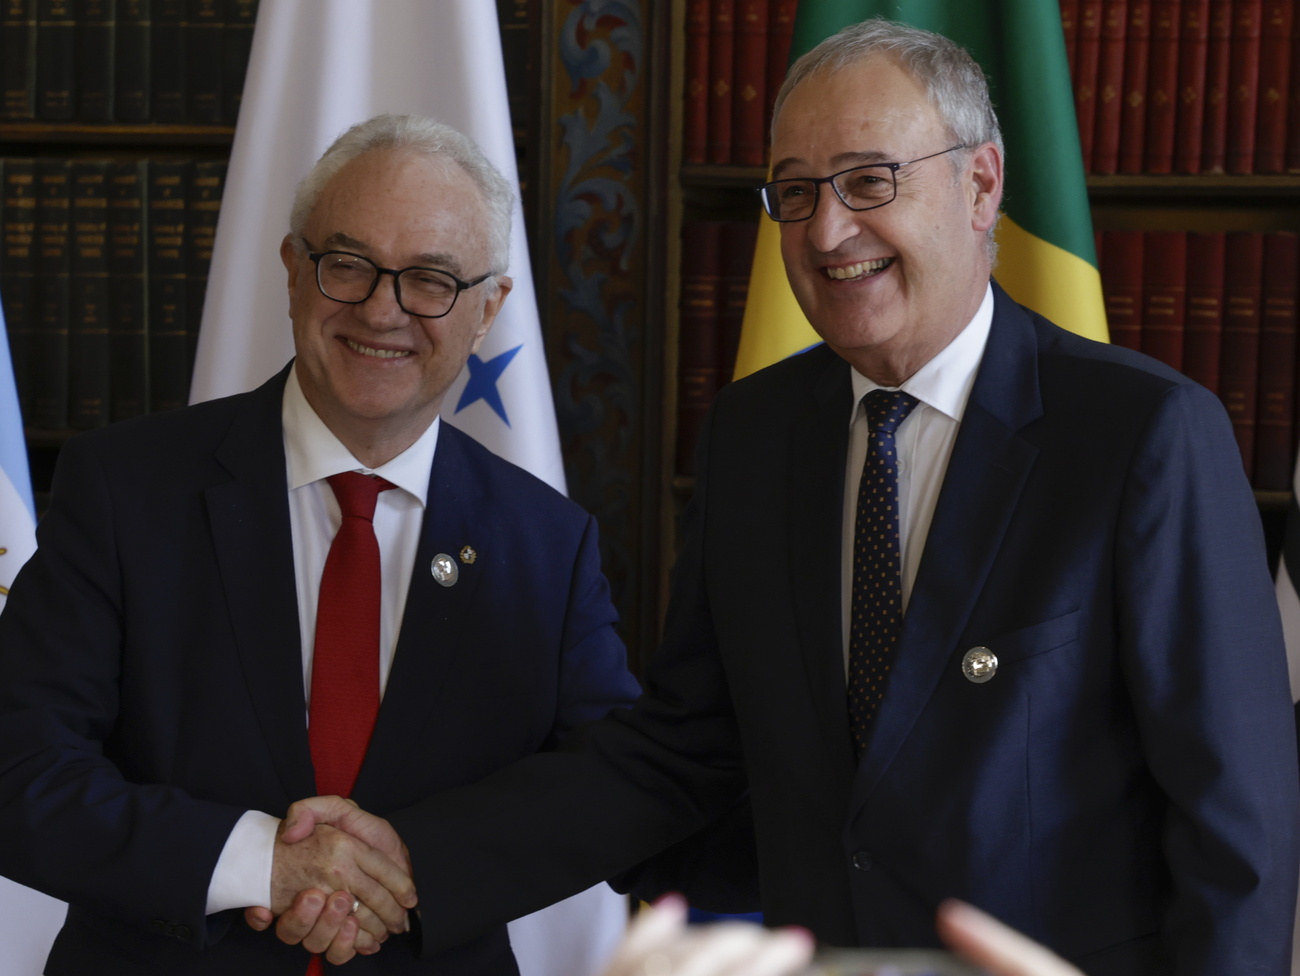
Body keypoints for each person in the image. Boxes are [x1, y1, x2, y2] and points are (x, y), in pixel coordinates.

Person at [267, 18, 1300, 976]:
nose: (825, 229)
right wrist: (412, 855)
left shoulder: (1141, 437)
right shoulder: (755, 436)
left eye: (868, 180)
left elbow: (1235, 829)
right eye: (794, 192)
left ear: (980, 184)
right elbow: (681, 753)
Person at [0, 113, 640, 974]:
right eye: (348, 264)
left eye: (431, 279)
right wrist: (262, 862)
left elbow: (610, 789)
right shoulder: (125, 490)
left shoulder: (548, 546)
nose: (383, 309)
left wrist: (409, 869)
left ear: (489, 308)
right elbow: (21, 772)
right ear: (295, 272)